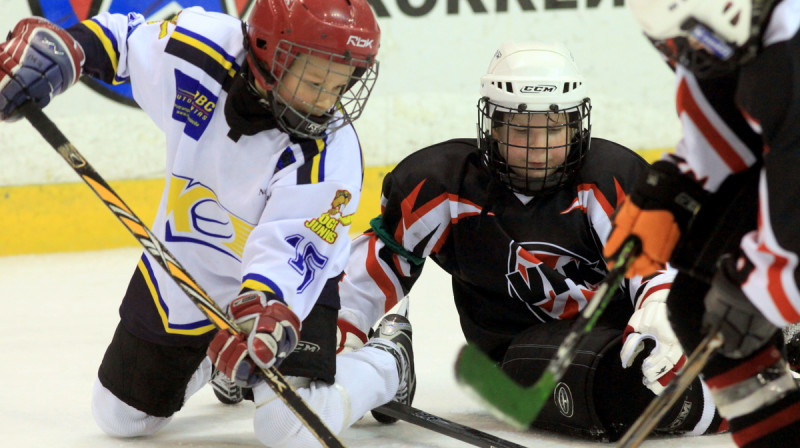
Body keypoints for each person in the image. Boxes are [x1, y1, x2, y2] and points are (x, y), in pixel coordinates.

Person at [0, 2, 417, 447]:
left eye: (339, 85)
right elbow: (125, 42)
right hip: (186, 264)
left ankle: (387, 361)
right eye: (315, 82)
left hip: (282, 295)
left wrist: (265, 312)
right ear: (268, 55)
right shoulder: (203, 50)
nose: (326, 101)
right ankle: (215, 362)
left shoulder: (332, 153)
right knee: (121, 417)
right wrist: (67, 48)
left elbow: (291, 251)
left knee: (290, 429)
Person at [329, 40, 726, 441]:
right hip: (515, 354)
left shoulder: (612, 177)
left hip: (624, 331)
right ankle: (391, 358)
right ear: (494, 127)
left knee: (714, 329)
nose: (539, 149)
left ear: (576, 126)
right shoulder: (439, 186)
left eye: (554, 129)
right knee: (625, 391)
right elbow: (378, 266)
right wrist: (339, 329)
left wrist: (661, 306)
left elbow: (655, 264)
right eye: (521, 130)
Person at [604, 0, 800, 446]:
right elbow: (719, 133)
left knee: (742, 309)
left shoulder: (789, 53)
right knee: (698, 301)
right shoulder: (725, 38)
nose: (691, 54)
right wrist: (670, 193)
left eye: (697, 40)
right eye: (678, 45)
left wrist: (760, 289)